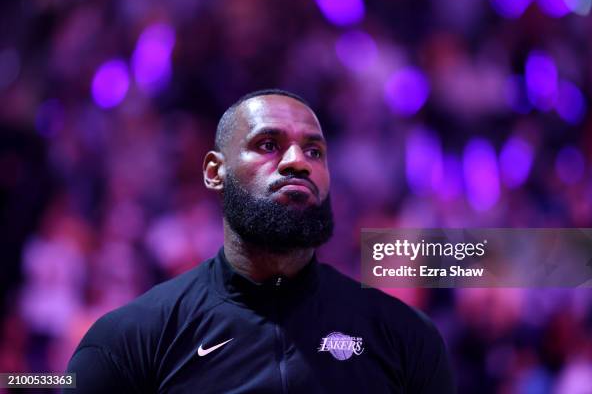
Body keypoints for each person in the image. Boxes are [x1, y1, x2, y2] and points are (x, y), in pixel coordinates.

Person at [65, 89, 455, 393]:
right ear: (215, 172)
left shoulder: (406, 337)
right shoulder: (130, 341)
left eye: (314, 151)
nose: (296, 162)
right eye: (268, 145)